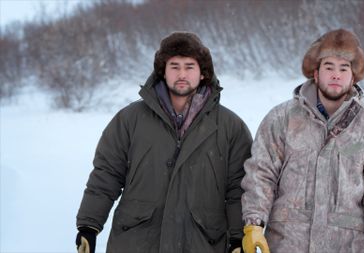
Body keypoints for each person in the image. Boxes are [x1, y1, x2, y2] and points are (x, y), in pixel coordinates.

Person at [75, 32, 252, 253]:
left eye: (189, 67)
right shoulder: (130, 119)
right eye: (174, 66)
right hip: (137, 241)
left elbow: (238, 188)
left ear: (203, 73)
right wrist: (89, 224)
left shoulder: (230, 126)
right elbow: (107, 174)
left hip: (203, 242)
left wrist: (238, 237)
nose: (182, 74)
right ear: (163, 72)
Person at [240, 29, 364, 253]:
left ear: (353, 76)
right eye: (329, 67)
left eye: (344, 68)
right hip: (286, 244)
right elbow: (261, 174)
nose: (336, 74)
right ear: (315, 73)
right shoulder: (281, 119)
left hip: (347, 247)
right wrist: (254, 225)